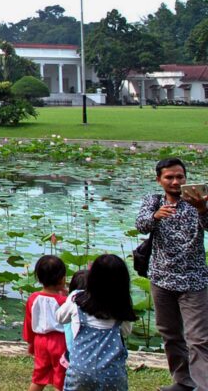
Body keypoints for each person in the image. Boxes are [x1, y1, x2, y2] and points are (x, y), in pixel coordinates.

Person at [135, 157, 208, 391]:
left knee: (199, 339)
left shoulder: (199, 201)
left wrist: (202, 209)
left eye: (180, 177)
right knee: (170, 334)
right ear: (159, 180)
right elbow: (140, 224)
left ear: (186, 179)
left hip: (193, 280)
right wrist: (154, 216)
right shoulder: (153, 201)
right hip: (161, 279)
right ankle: (183, 382)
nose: (175, 181)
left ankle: (204, 386)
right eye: (169, 177)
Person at [55, 254, 136, 391]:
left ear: (92, 278)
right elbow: (126, 331)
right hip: (112, 376)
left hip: (80, 373)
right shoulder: (122, 308)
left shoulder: (76, 299)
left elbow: (60, 318)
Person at [23, 255, 68, 391]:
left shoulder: (33, 298)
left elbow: (29, 322)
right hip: (60, 342)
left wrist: (31, 342)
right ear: (62, 278)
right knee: (61, 380)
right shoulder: (64, 301)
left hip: (40, 341)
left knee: (39, 377)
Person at [62, 269, 89, 365]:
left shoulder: (72, 301)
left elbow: (60, 318)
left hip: (72, 352)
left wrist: (68, 298)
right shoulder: (96, 307)